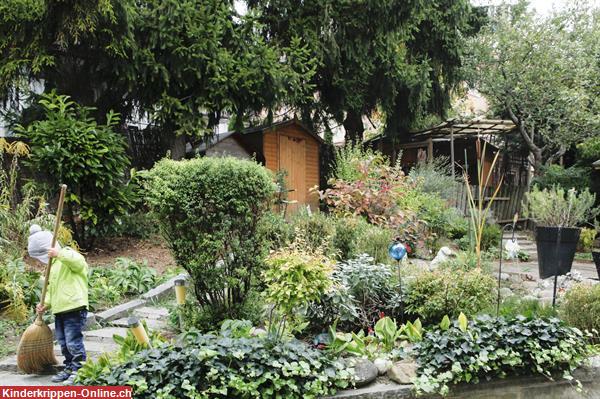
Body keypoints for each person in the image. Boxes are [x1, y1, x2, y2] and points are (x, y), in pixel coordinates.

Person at [28, 224, 88, 385]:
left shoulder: (67, 256)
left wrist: (59, 253)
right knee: (62, 341)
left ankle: (79, 369)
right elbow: (51, 289)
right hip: (60, 310)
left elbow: (80, 263)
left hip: (74, 307)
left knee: (73, 341)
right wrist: (45, 304)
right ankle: (69, 367)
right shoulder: (52, 267)